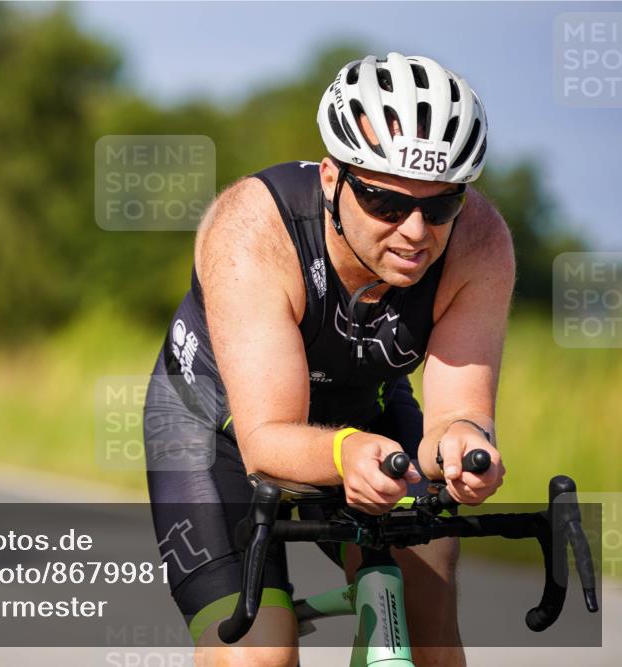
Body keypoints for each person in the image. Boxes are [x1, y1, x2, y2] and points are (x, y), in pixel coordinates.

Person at [143, 52, 513, 667]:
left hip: (365, 412)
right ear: (331, 179)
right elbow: (267, 441)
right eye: (386, 203)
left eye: (441, 205)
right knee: (259, 652)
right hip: (218, 425)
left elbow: (457, 414)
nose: (416, 232)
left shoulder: (480, 242)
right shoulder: (254, 230)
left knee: (430, 625)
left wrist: (465, 448)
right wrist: (344, 452)